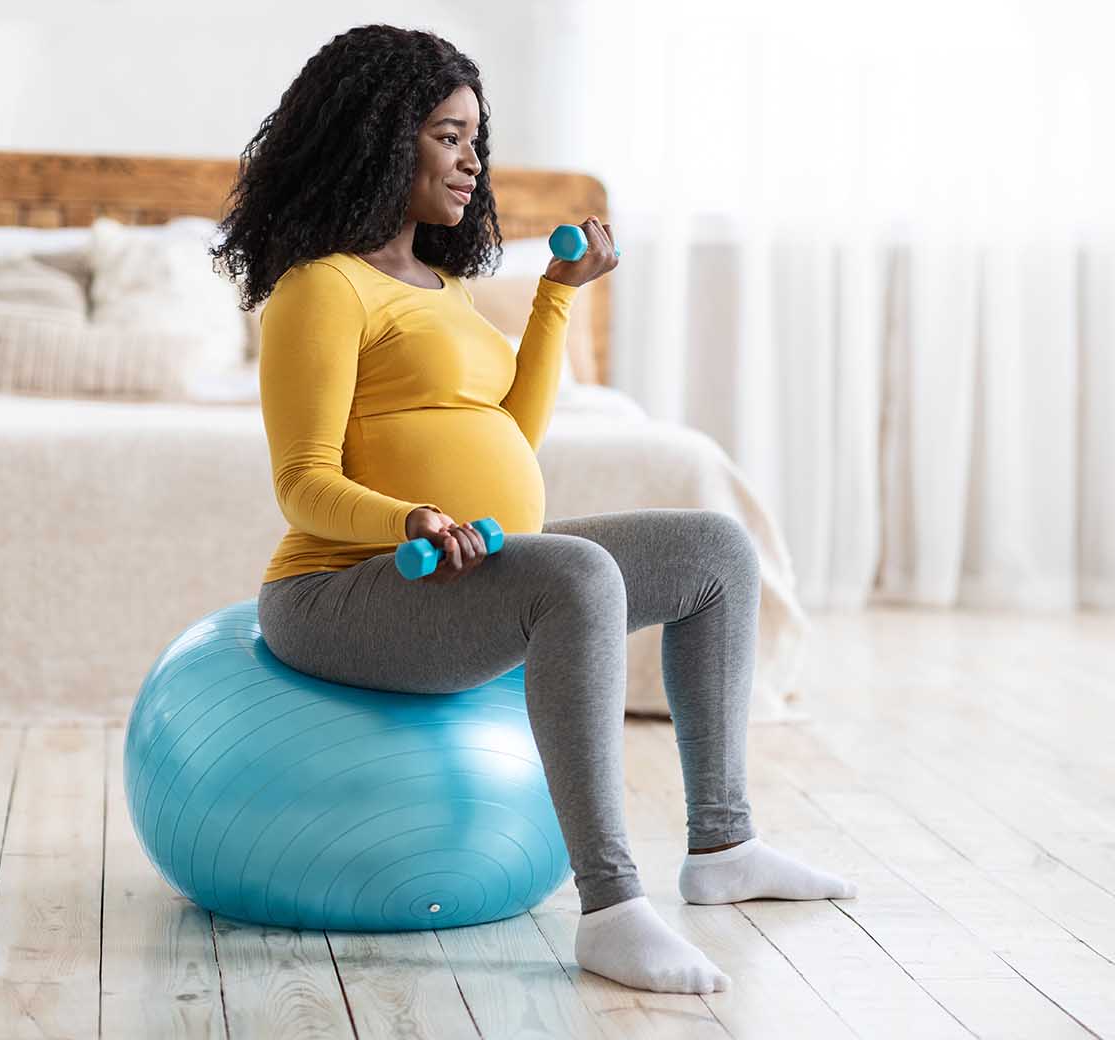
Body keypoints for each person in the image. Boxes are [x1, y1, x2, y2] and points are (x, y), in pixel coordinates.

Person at [210, 23, 857, 995]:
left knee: (717, 549)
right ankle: (611, 905)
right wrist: (408, 517)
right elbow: (299, 480)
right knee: (577, 570)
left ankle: (723, 844)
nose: (473, 161)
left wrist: (555, 296)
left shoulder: (442, 284)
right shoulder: (319, 288)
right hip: (340, 590)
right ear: (380, 136)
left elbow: (512, 425)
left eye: (478, 137)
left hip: (472, 565)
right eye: (447, 135)